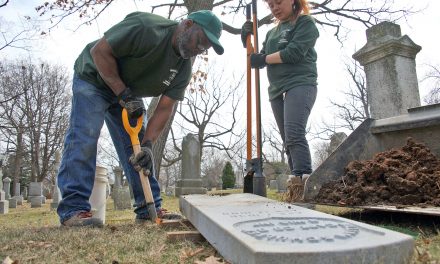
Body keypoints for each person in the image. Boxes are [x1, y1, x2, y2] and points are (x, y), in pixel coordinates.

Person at [57, 10, 224, 227]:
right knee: (85, 135)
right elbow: (100, 52)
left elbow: (165, 108)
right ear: (187, 24)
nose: (200, 49)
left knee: (137, 151)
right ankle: (73, 210)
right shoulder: (147, 27)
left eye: (205, 48)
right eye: (200, 40)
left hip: (126, 93)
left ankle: (149, 208)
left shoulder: (183, 68)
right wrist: (123, 93)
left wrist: (147, 145)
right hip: (95, 77)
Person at [241, 0, 319, 200]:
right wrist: (246, 40)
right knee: (287, 140)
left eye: (278, 2)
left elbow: (293, 53)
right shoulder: (271, 33)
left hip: (300, 83)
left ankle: (305, 185)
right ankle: (295, 187)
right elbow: (257, 60)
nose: (274, 8)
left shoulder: (305, 23)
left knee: (294, 133)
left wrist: (263, 59)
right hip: (276, 90)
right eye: (270, 5)